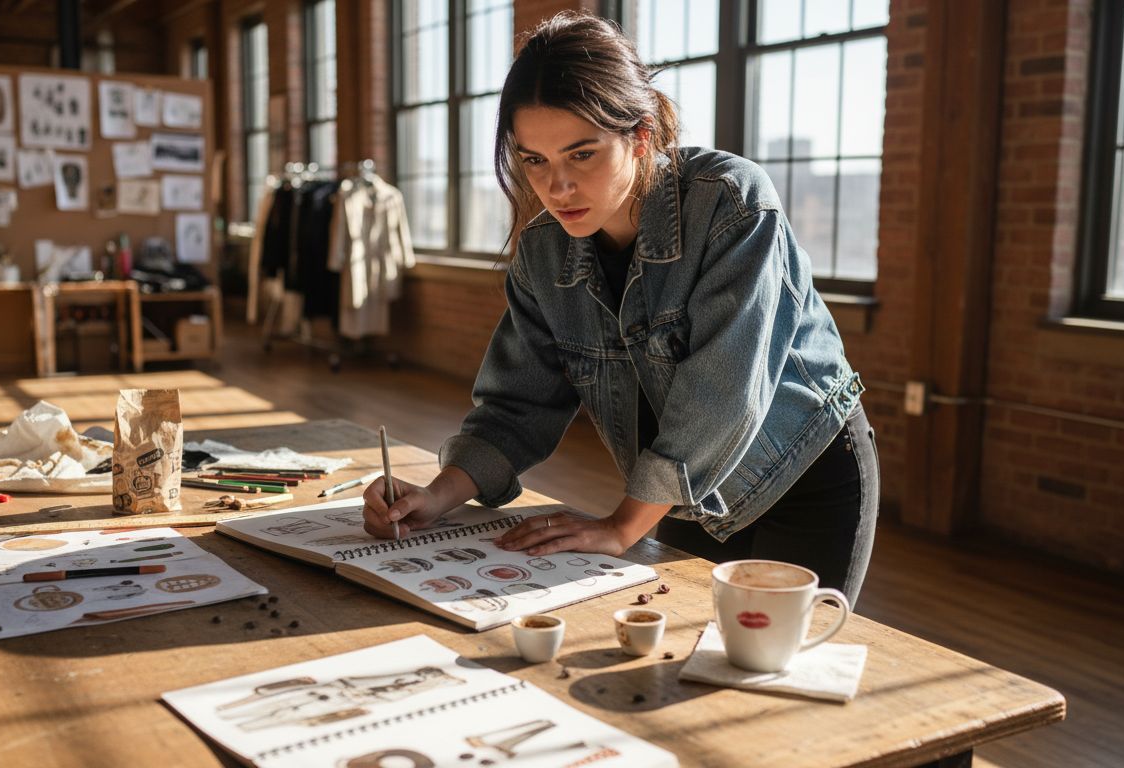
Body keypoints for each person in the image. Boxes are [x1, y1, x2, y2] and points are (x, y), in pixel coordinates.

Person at [363, 12, 879, 605]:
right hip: (684, 486)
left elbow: (725, 392)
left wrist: (621, 526)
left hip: (802, 473)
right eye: (534, 161)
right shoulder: (542, 252)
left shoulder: (731, 203)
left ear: (640, 135)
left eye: (581, 155)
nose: (557, 189)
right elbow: (517, 403)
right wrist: (436, 496)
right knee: (689, 651)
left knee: (787, 667)